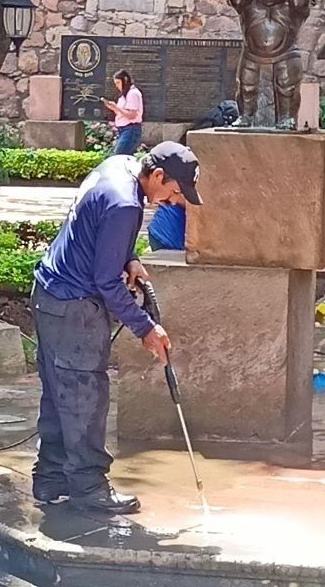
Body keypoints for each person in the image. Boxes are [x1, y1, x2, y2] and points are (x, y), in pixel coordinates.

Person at [29, 142, 204, 514]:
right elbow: (107, 281)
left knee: (59, 394)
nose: (174, 202)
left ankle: (51, 477)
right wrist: (146, 328)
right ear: (157, 176)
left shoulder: (120, 166)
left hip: (49, 295)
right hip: (75, 307)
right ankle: (89, 488)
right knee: (84, 399)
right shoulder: (126, 203)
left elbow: (99, 230)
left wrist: (131, 258)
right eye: (173, 192)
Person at [104, 70, 144, 156]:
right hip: (124, 129)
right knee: (122, 157)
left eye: (118, 83)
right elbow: (122, 114)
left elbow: (132, 115)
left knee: (119, 156)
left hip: (131, 129)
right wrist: (114, 108)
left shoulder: (133, 94)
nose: (117, 86)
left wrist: (117, 107)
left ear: (125, 80)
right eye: (115, 84)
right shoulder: (125, 95)